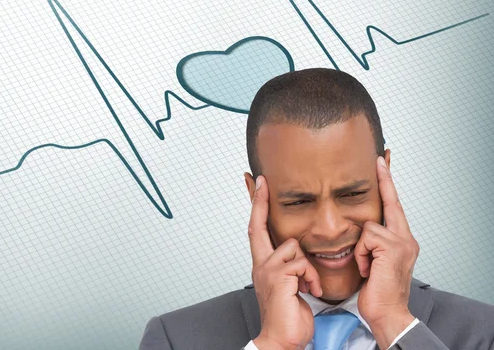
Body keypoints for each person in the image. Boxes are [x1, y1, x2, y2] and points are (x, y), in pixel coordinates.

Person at [138, 68, 494, 350]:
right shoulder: (175, 338)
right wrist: (272, 346)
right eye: (298, 201)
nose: (329, 227)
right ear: (255, 195)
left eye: (352, 194)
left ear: (385, 173)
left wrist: (393, 323)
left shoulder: (485, 332)